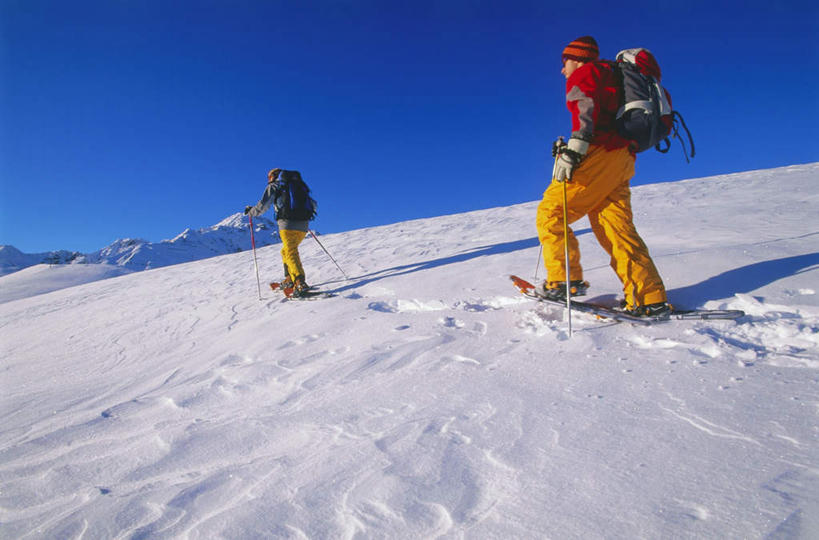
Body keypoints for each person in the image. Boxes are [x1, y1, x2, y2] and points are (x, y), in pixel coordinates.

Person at [535, 36, 670, 317]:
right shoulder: (617, 75)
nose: (563, 70)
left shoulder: (588, 71)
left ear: (578, 58)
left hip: (599, 154)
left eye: (565, 62)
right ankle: (648, 296)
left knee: (551, 212)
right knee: (616, 229)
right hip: (623, 159)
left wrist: (576, 146)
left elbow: (583, 105)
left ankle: (562, 281)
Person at [245, 168, 316, 296]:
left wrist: (251, 212)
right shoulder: (298, 186)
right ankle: (289, 278)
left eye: (269, 177)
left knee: (290, 251)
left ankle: (300, 282)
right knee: (286, 250)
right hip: (303, 225)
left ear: (274, 176)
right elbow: (313, 205)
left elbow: (263, 205)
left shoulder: (275, 186)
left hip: (286, 224)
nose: (268, 179)